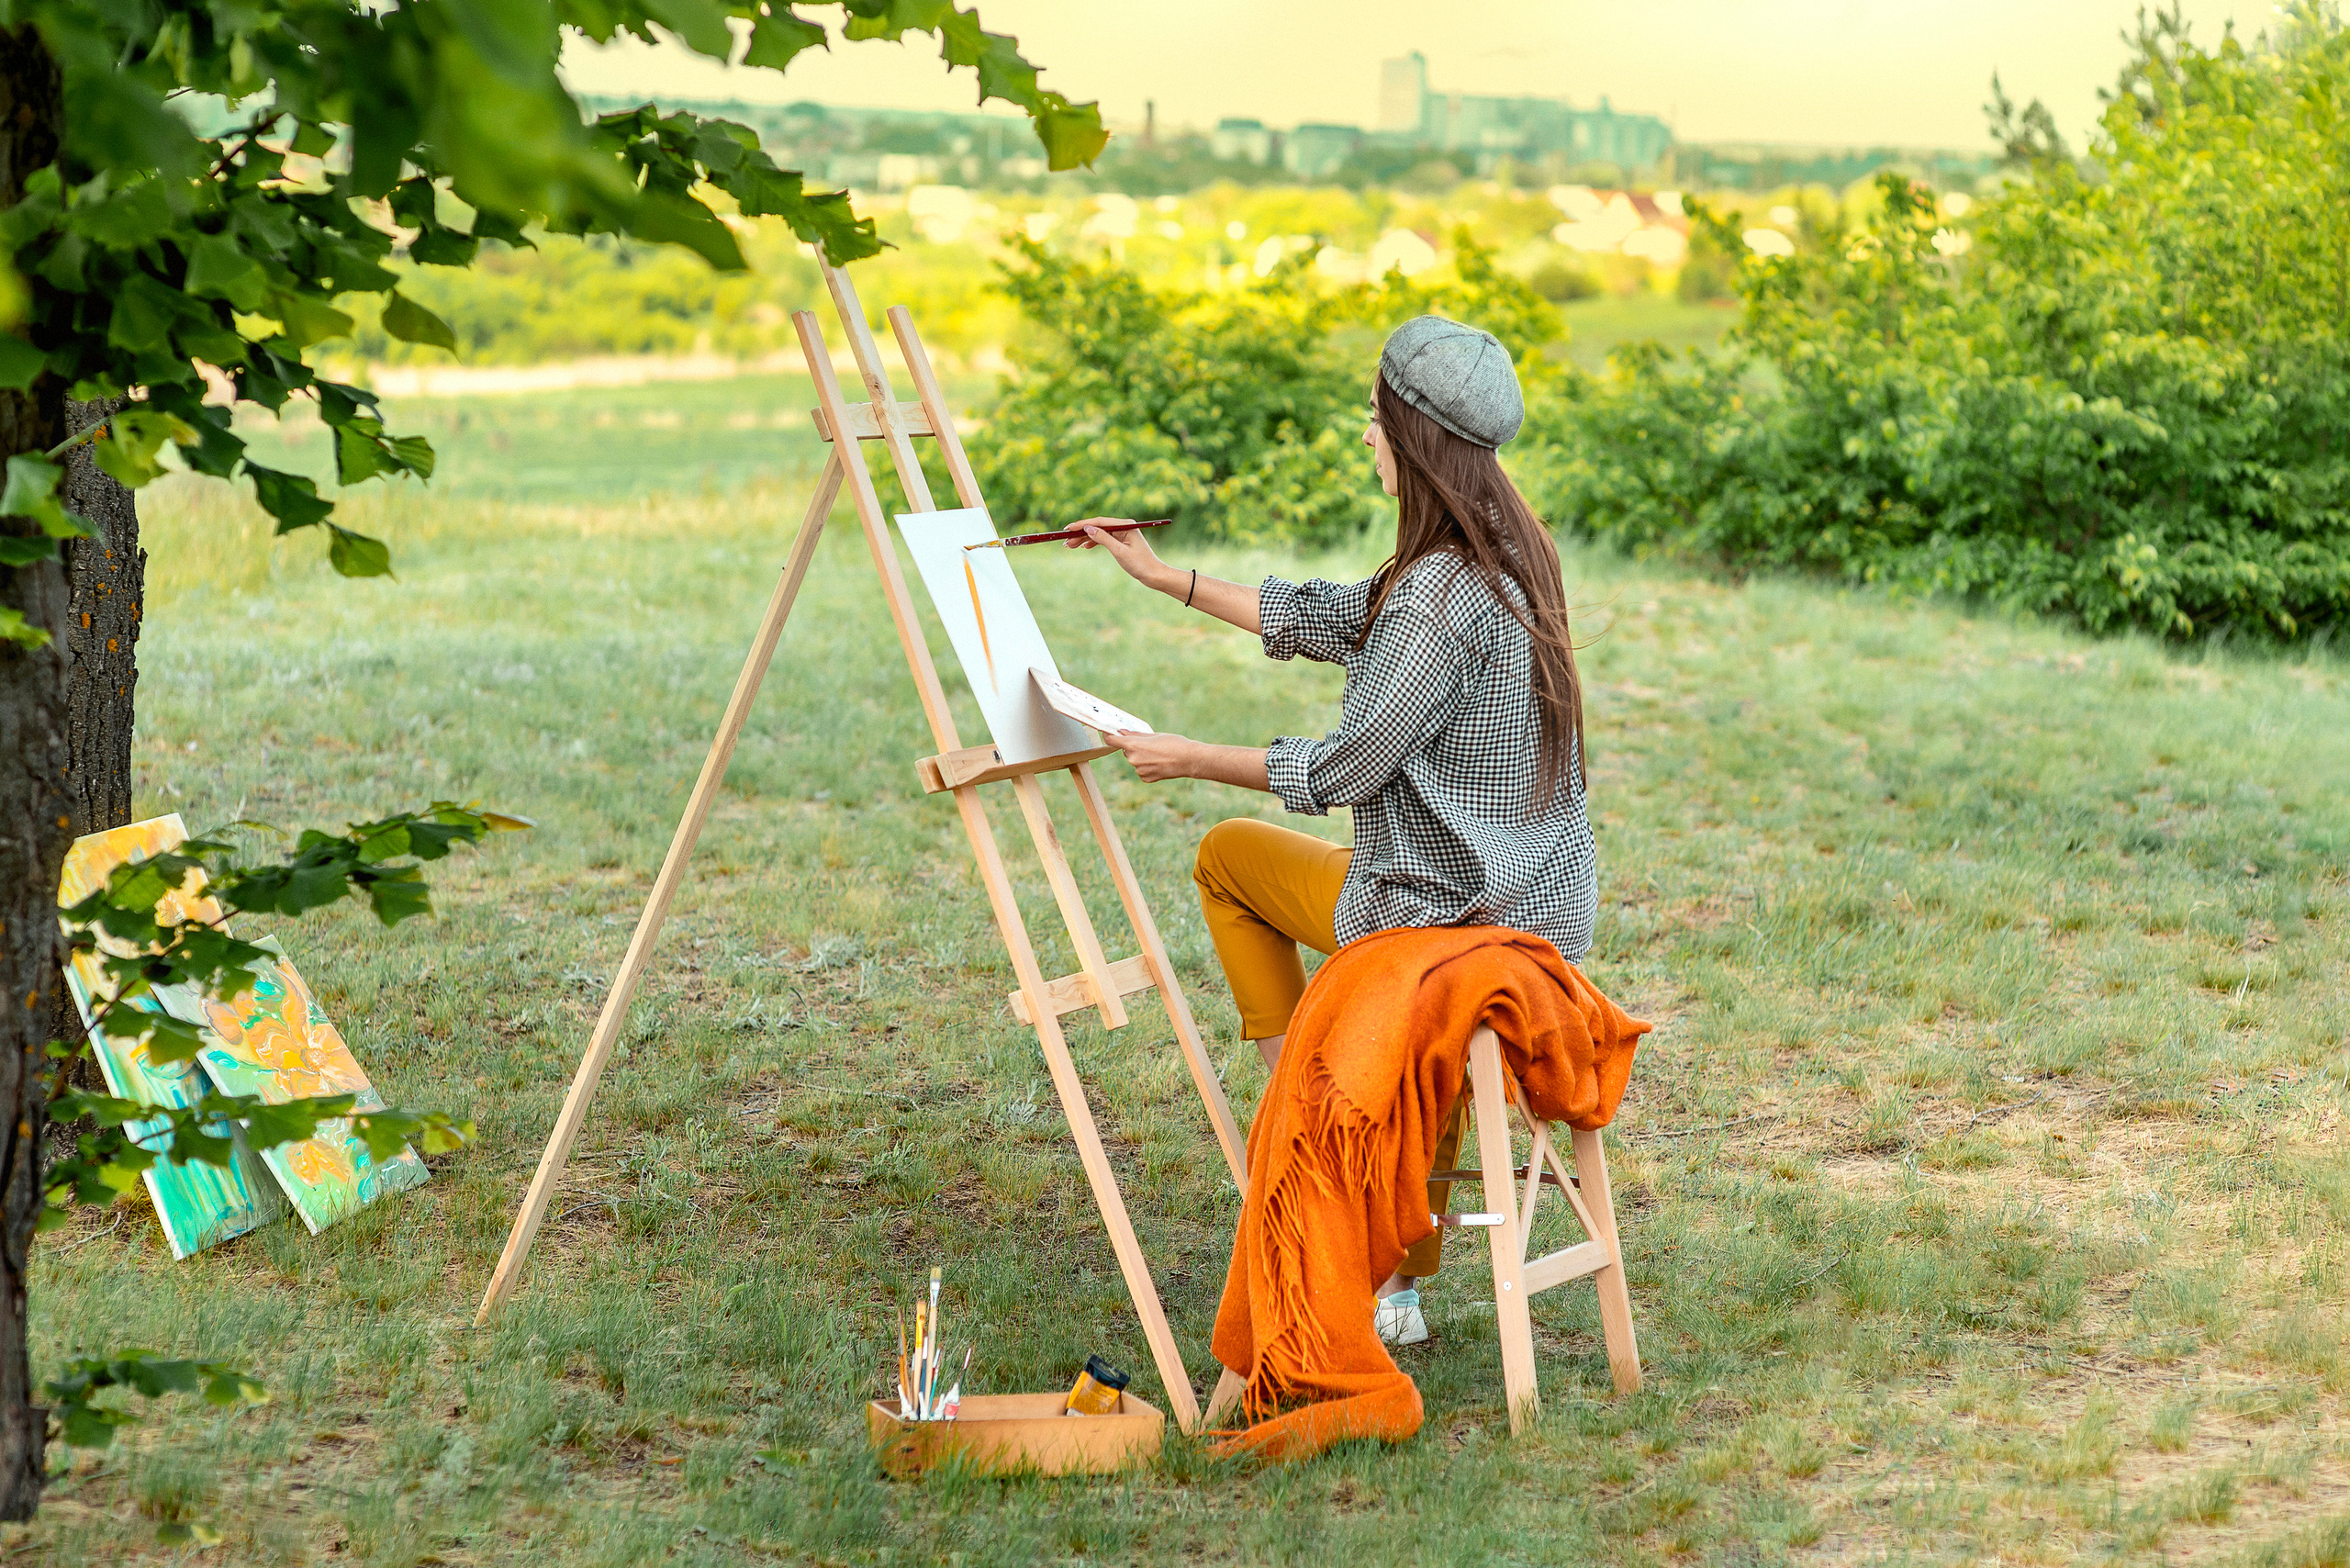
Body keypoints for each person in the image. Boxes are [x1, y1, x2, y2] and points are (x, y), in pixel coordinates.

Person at [1067, 315, 1598, 1350]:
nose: (1364, 434)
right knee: (1427, 1010)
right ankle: (1390, 1256)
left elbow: (1348, 764)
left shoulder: (1437, 599)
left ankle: (1311, 1131)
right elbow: (1331, 613)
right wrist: (1164, 578)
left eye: (1372, 417)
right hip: (1534, 914)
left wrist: (1187, 754)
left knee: (1228, 858)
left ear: (1411, 437)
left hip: (1444, 919)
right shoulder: (1506, 558)